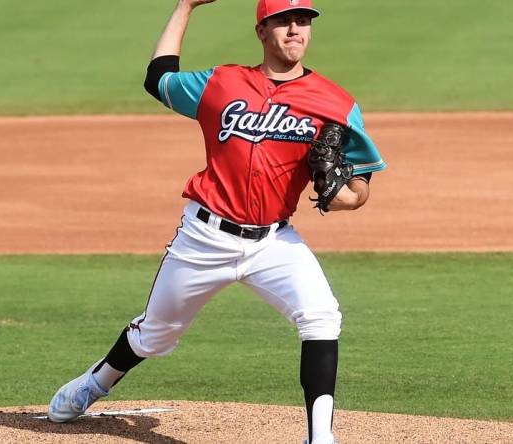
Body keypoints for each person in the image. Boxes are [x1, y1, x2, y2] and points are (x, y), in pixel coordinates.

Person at [47, 0, 386, 442]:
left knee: (321, 316)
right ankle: (96, 382)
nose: (295, 30)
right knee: (154, 335)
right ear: (262, 31)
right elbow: (159, 78)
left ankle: (320, 436)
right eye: (283, 21)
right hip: (204, 238)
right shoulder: (222, 83)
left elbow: (359, 184)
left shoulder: (335, 103)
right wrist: (185, 6)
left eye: (302, 21)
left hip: (274, 243)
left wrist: (347, 199)